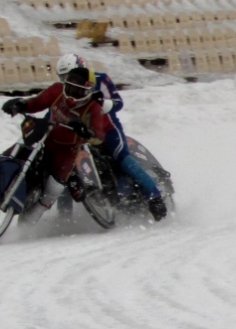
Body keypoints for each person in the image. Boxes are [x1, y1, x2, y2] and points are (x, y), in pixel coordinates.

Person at [54, 53, 168, 221]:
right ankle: (63, 217)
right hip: (78, 136)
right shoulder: (62, 92)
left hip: (108, 130)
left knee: (122, 158)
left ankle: (155, 196)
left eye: (70, 75)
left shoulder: (100, 79)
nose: (68, 80)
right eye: (63, 77)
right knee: (64, 169)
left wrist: (103, 104)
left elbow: (117, 102)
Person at [0, 66, 114, 222]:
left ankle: (35, 214)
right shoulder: (56, 90)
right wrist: (21, 105)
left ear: (87, 91)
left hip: (67, 150)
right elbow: (37, 102)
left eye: (77, 90)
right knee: (14, 153)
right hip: (45, 137)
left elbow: (98, 135)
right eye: (70, 87)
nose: (72, 93)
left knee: (55, 186)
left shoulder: (93, 107)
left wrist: (86, 132)